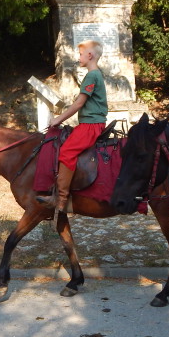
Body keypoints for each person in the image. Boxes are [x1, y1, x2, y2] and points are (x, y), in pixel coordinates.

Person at [37, 40, 108, 214]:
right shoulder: (96, 74)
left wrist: (58, 120)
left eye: (80, 54)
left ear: (89, 55)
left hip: (91, 125)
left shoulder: (92, 75)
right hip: (90, 123)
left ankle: (60, 199)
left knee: (66, 152)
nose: (79, 57)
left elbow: (78, 104)